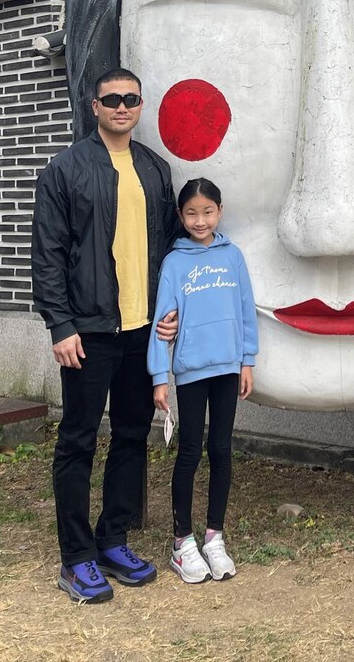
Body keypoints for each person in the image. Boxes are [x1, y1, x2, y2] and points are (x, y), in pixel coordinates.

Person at [31, 68, 180, 604]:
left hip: (143, 329)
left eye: (131, 99)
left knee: (132, 436)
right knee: (77, 441)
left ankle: (113, 538)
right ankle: (75, 556)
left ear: (141, 106)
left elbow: (168, 248)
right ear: (93, 106)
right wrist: (60, 323)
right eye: (112, 99)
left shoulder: (155, 170)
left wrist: (172, 310)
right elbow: (47, 254)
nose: (122, 107)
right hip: (90, 331)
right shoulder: (65, 170)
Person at [149, 178, 258, 584]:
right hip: (192, 372)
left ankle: (214, 536)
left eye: (207, 211)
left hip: (228, 368)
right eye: (191, 213)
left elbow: (246, 310)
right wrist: (160, 376)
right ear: (180, 216)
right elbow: (163, 322)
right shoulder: (175, 264)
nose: (200, 220)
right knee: (190, 451)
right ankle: (182, 542)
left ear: (220, 211)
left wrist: (247, 359)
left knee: (222, 449)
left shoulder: (233, 257)